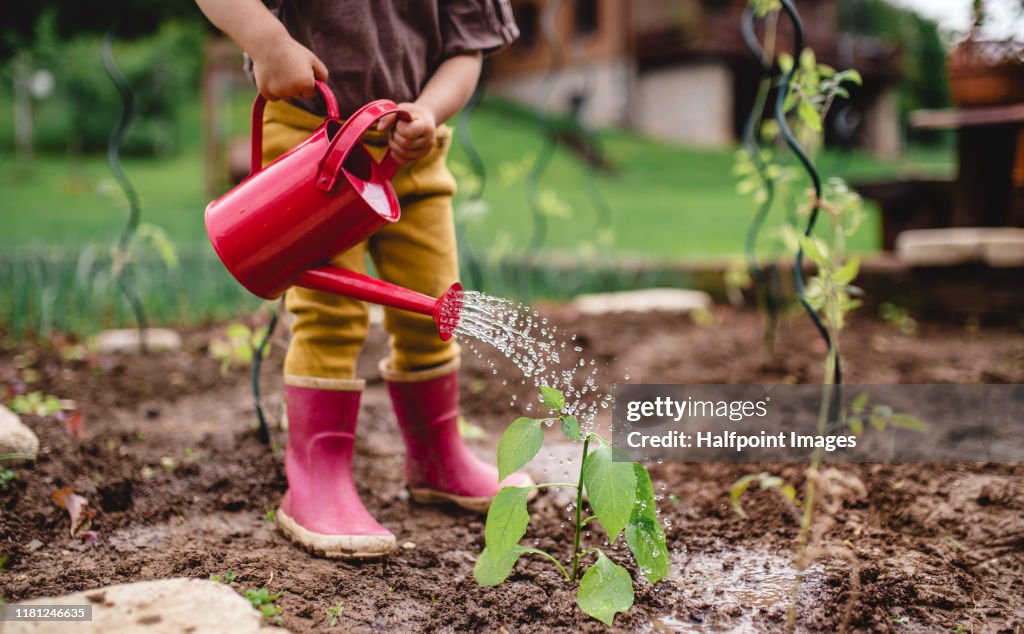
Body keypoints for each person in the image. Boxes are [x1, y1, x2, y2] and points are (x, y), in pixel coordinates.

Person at [195, 0, 532, 559]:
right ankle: (316, 479)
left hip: (413, 151)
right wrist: (269, 42)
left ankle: (437, 456)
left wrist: (428, 110)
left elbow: (465, 50)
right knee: (331, 317)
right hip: (312, 143)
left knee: (434, 308)